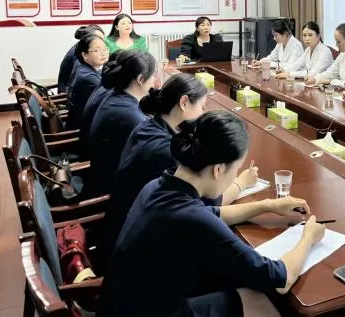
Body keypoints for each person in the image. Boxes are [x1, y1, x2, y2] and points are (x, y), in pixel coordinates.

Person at [99, 111, 326, 317]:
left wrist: (267, 205)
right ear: (218, 169)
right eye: (236, 168)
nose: (236, 175)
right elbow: (280, 279)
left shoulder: (158, 186)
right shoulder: (191, 218)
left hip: (121, 305)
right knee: (258, 301)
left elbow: (214, 213)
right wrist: (308, 236)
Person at [102, 74, 259, 264]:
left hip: (122, 234)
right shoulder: (168, 152)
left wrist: (265, 206)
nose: (203, 115)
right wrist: (242, 181)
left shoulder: (148, 126)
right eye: (202, 108)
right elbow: (213, 203)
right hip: (130, 247)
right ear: (184, 103)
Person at [88, 50, 156, 196]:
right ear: (140, 79)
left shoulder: (116, 95)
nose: (154, 80)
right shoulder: (130, 116)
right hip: (113, 190)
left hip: (103, 174)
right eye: (153, 75)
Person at [66, 33, 109, 130]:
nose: (103, 53)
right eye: (97, 50)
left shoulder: (88, 68)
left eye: (105, 49)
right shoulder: (87, 77)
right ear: (85, 55)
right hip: (82, 130)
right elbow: (110, 95)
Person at [57, 24, 104, 93]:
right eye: (98, 38)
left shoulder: (82, 47)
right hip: (66, 94)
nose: (102, 42)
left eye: (102, 39)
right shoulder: (79, 58)